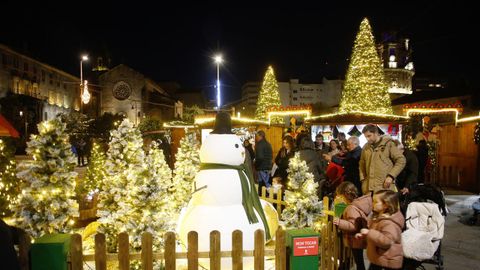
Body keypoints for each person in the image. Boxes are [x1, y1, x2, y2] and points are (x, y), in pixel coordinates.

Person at [356, 190, 405, 270]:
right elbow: (376, 236)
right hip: (379, 257)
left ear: (386, 205)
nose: (373, 204)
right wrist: (365, 236)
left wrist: (369, 232)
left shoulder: (390, 223)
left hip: (387, 261)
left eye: (376, 202)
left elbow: (386, 241)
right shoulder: (378, 218)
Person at [333, 182, 372, 270]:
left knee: (359, 262)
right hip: (358, 239)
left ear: (346, 194)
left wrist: (340, 222)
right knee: (359, 260)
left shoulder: (351, 208)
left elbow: (353, 225)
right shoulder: (356, 205)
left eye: (340, 196)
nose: (339, 199)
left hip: (355, 240)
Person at [359, 124, 406, 195]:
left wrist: (391, 176)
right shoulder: (366, 147)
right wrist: (363, 180)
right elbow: (362, 164)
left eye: (369, 136)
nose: (367, 139)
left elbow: (401, 160)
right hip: (369, 189)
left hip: (384, 187)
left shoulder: (388, 144)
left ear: (376, 133)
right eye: (366, 137)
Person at [254, 130, 273, 195]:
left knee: (265, 184)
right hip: (268, 166)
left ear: (260, 136)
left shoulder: (259, 144)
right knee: (265, 184)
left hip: (262, 167)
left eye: (257, 136)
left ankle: (264, 198)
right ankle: (267, 197)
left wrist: (256, 165)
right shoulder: (268, 144)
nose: (256, 137)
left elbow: (260, 157)